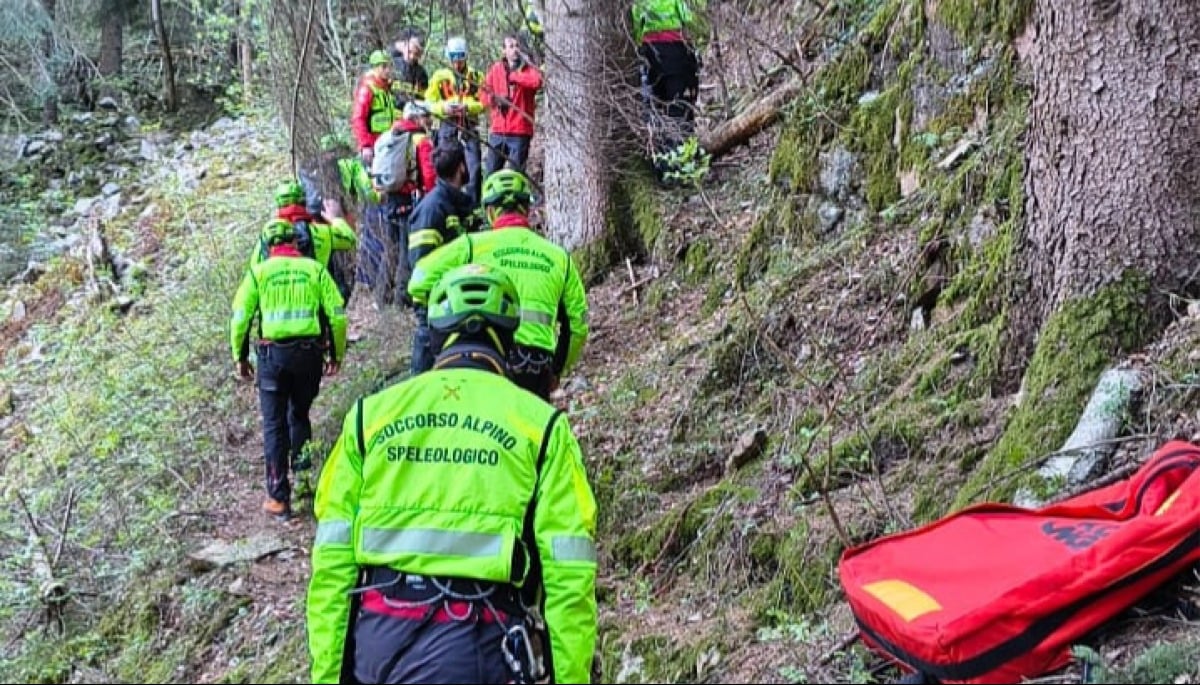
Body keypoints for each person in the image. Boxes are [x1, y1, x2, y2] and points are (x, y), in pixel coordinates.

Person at [306, 263, 597, 685]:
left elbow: (332, 564)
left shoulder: (368, 419)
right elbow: (569, 572)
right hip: (481, 642)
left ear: (438, 335)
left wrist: (330, 674)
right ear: (509, 336)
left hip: (378, 642)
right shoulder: (542, 427)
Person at [408, 169, 588, 400]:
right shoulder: (559, 257)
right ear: (528, 210)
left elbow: (419, 280)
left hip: (484, 355)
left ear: (490, 211)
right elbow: (578, 326)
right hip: (535, 365)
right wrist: (556, 371)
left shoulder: (471, 246)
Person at [230, 219, 347, 518]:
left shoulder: (258, 273)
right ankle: (305, 480)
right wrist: (336, 353)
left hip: (272, 357)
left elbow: (241, 317)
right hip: (308, 355)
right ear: (296, 243)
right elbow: (336, 315)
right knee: (299, 414)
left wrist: (240, 356)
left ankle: (279, 497)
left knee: (274, 424)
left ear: (268, 247)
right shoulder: (314, 270)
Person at [403, 140, 479, 375]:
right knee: (425, 368)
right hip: (434, 303)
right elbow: (421, 264)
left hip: (461, 298)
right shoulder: (432, 209)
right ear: (462, 168)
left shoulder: (460, 204)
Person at [361, 101, 438, 308]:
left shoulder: (392, 135)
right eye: (426, 116)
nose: (430, 120)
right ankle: (401, 300)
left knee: (391, 248)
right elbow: (429, 174)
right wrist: (432, 198)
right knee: (406, 249)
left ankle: (381, 297)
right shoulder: (420, 140)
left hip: (388, 197)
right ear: (417, 117)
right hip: (407, 198)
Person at [631, 0, 706, 179]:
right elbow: (693, 20)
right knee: (679, 107)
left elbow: (635, 29)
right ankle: (681, 165)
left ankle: (664, 164)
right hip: (676, 52)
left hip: (650, 55)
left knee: (658, 108)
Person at [256, 179, 358, 303]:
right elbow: (350, 239)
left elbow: (254, 275)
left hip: (276, 305)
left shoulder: (266, 238)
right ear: (303, 202)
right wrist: (335, 219)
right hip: (315, 303)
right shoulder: (321, 232)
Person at [425, 36, 485, 204]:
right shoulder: (439, 77)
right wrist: (444, 108)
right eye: (454, 57)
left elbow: (484, 102)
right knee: (447, 169)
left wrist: (468, 107)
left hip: (469, 127)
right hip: (447, 127)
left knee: (474, 169)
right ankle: (447, 206)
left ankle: (473, 208)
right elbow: (428, 103)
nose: (457, 62)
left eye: (461, 57)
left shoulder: (476, 76)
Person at [481, 34, 544, 175]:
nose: (515, 50)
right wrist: (494, 100)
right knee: (490, 174)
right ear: (504, 50)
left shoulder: (528, 68)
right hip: (498, 131)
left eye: (517, 46)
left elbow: (537, 81)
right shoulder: (496, 69)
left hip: (520, 132)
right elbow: (483, 94)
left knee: (516, 176)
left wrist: (514, 77)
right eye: (511, 46)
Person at [350, 50, 397, 166]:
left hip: (388, 143)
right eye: (384, 67)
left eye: (389, 66)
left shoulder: (385, 89)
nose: (388, 70)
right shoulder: (367, 89)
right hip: (373, 145)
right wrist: (365, 145)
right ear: (375, 68)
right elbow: (358, 118)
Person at [389, 31, 429, 105]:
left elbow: (422, 97)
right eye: (409, 52)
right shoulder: (392, 65)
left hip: (412, 111)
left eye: (416, 54)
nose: (412, 57)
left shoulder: (421, 73)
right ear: (404, 47)